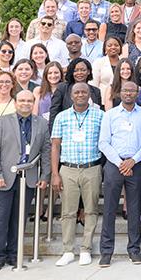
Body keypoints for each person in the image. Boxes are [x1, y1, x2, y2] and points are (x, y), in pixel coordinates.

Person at [0, 90, 50, 271]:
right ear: (15, 102)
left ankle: (14, 254)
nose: (26, 104)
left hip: (27, 179)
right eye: (22, 100)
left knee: (19, 219)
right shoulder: (2, 122)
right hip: (3, 179)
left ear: (33, 102)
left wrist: (44, 176)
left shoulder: (42, 124)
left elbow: (45, 151)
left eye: (29, 101)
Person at [49, 82, 105, 267]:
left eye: (84, 92)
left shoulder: (100, 115)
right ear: (71, 96)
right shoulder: (61, 117)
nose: (80, 95)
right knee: (68, 211)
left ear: (89, 95)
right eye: (77, 92)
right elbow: (55, 145)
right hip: (68, 169)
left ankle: (86, 249)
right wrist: (55, 173)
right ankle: (68, 250)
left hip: (92, 168)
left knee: (90, 210)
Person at [97, 80, 141, 267]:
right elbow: (103, 142)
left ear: (137, 93)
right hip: (114, 164)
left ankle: (134, 249)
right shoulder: (110, 115)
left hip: (135, 164)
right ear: (120, 93)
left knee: (135, 210)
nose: (129, 93)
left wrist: (133, 161)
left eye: (132, 91)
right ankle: (106, 251)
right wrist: (121, 163)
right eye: (125, 90)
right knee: (109, 209)